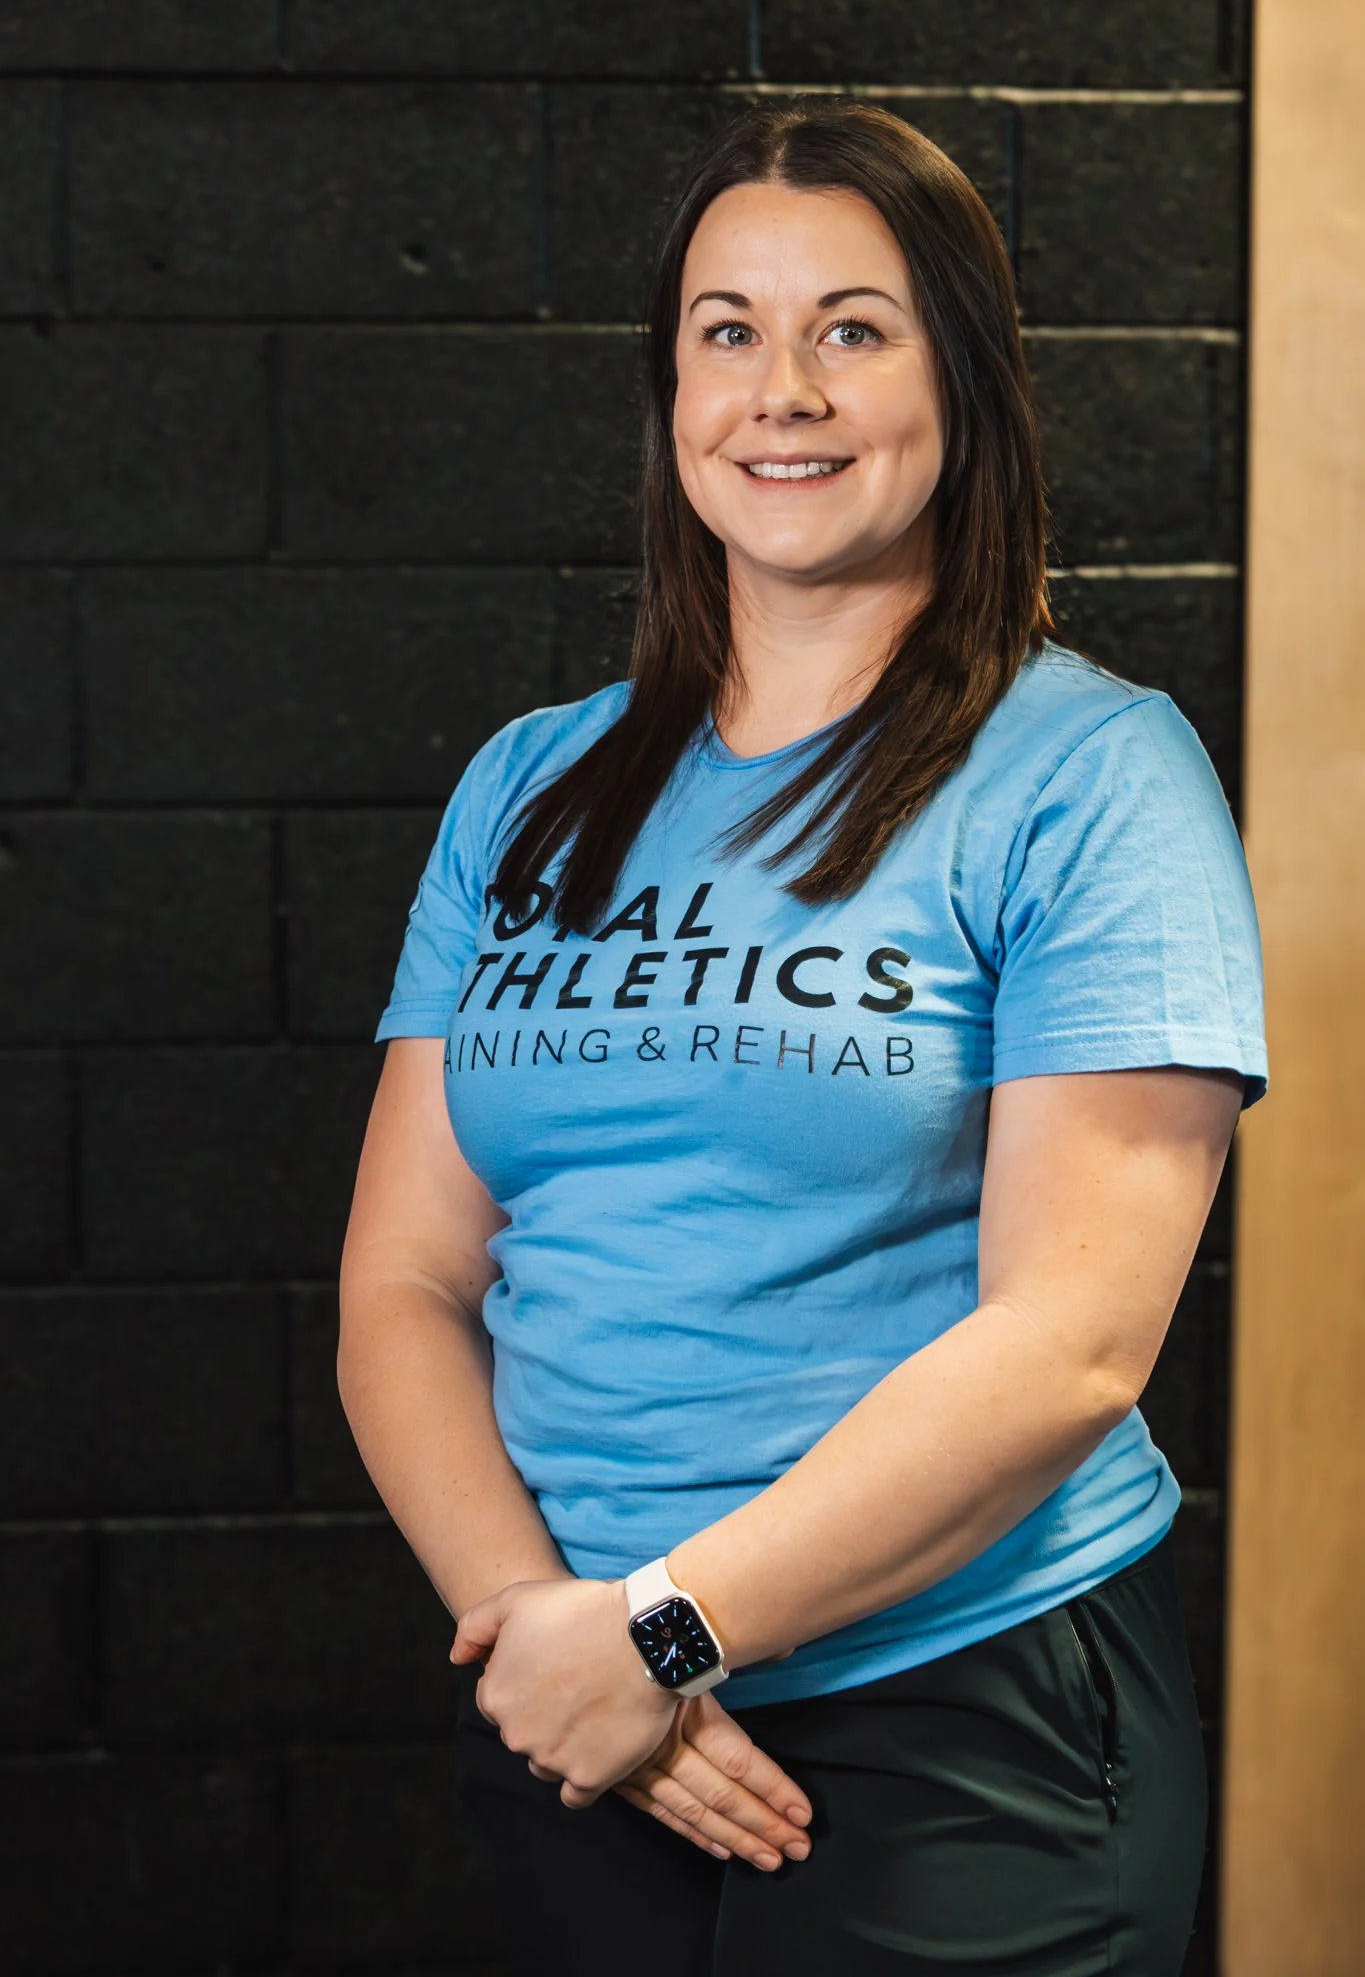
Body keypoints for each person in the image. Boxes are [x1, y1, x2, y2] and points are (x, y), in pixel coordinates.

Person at [338, 99, 1267, 1976]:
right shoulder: (534, 785)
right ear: (670, 389)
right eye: (727, 331)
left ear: (964, 381)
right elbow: (406, 1284)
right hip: (573, 1715)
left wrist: (670, 1632)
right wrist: (546, 1638)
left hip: (956, 1718)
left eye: (854, 328)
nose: (784, 389)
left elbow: (1071, 1346)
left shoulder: (1091, 774)